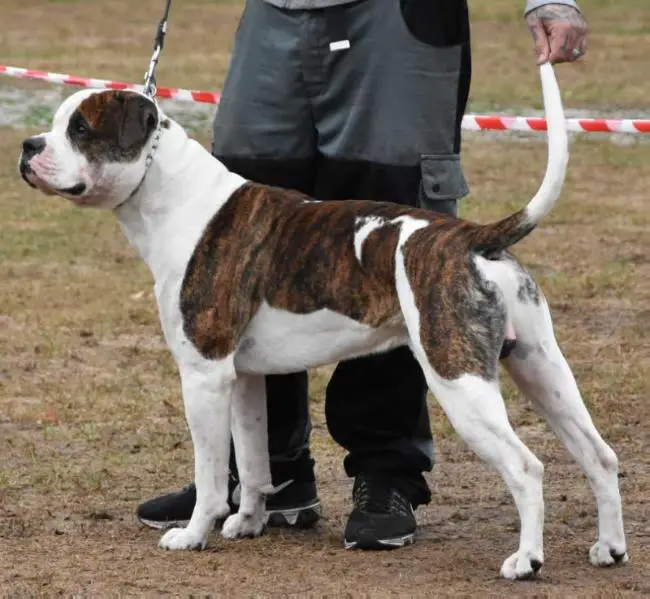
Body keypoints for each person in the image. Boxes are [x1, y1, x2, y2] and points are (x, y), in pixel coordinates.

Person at [137, 0, 588, 549]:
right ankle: (264, 476)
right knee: (245, 204)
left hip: (395, 15)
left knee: (393, 223)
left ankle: (385, 469)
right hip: (274, 13)